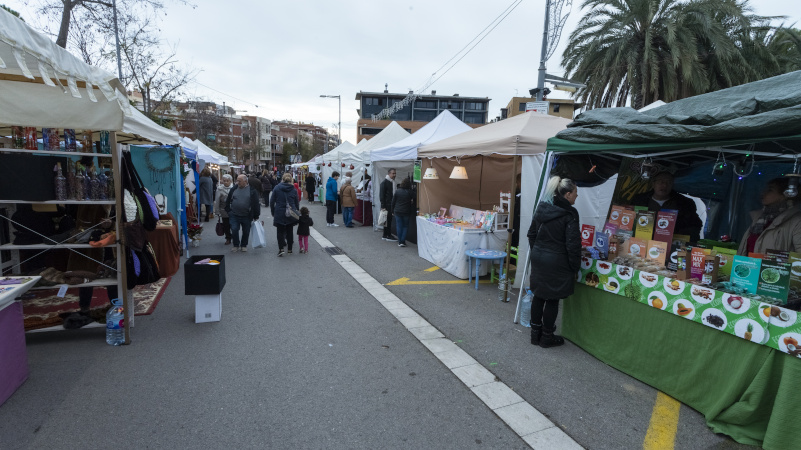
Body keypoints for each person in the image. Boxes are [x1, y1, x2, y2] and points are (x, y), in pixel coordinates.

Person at [527, 176, 581, 348]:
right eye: (575, 193)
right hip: (557, 261)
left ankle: (535, 335)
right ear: (567, 194)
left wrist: (539, 250)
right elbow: (573, 245)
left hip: (539, 258)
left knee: (538, 295)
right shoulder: (569, 214)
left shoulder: (542, 208)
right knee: (552, 299)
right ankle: (547, 337)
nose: (576, 196)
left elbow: (531, 234)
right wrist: (575, 267)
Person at [631, 171, 703, 242]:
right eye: (661, 182)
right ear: (653, 184)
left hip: (671, 244)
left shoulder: (685, 203)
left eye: (669, 182)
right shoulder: (639, 200)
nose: (664, 185)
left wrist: (675, 234)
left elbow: (695, 226)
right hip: (641, 243)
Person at [738, 177, 801, 255]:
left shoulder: (797, 222)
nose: (763, 193)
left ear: (785, 195)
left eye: (770, 190)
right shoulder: (759, 219)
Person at [224, 174, 260, 252]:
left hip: (247, 215)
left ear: (245, 181)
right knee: (234, 229)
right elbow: (228, 200)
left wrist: (256, 215)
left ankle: (244, 245)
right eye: (237, 180)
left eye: (239, 181)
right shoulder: (234, 189)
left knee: (246, 231)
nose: (237, 182)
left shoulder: (252, 190)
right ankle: (236, 245)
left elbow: (256, 203)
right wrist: (229, 211)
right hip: (234, 214)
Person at [271, 173, 300, 256]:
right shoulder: (293, 189)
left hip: (279, 211)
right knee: (289, 231)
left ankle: (281, 249)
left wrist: (273, 212)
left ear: (282, 179)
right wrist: (296, 211)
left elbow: (272, 201)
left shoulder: (277, 188)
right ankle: (290, 249)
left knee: (279, 231)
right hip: (291, 212)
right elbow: (296, 202)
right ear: (291, 180)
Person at [391, 178, 413, 247]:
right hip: (406, 211)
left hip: (397, 210)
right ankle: (403, 241)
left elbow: (393, 202)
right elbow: (414, 199)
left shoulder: (397, 191)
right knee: (405, 226)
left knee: (399, 226)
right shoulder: (410, 192)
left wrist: (392, 210)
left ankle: (400, 241)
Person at [215, 174, 234, 245]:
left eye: (227, 181)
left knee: (234, 225)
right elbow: (217, 201)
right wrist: (217, 211)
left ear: (231, 181)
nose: (226, 182)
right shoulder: (219, 189)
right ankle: (228, 238)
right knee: (226, 225)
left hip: (233, 210)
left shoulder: (234, 188)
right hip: (224, 210)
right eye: (224, 180)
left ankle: (234, 237)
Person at [380, 168, 397, 241]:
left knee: (387, 220)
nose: (394, 175)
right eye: (393, 173)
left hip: (390, 203)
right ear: (389, 173)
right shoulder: (385, 183)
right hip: (387, 204)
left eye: (395, 173)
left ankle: (385, 234)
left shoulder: (392, 182)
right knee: (387, 220)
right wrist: (383, 206)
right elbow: (382, 195)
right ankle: (388, 235)